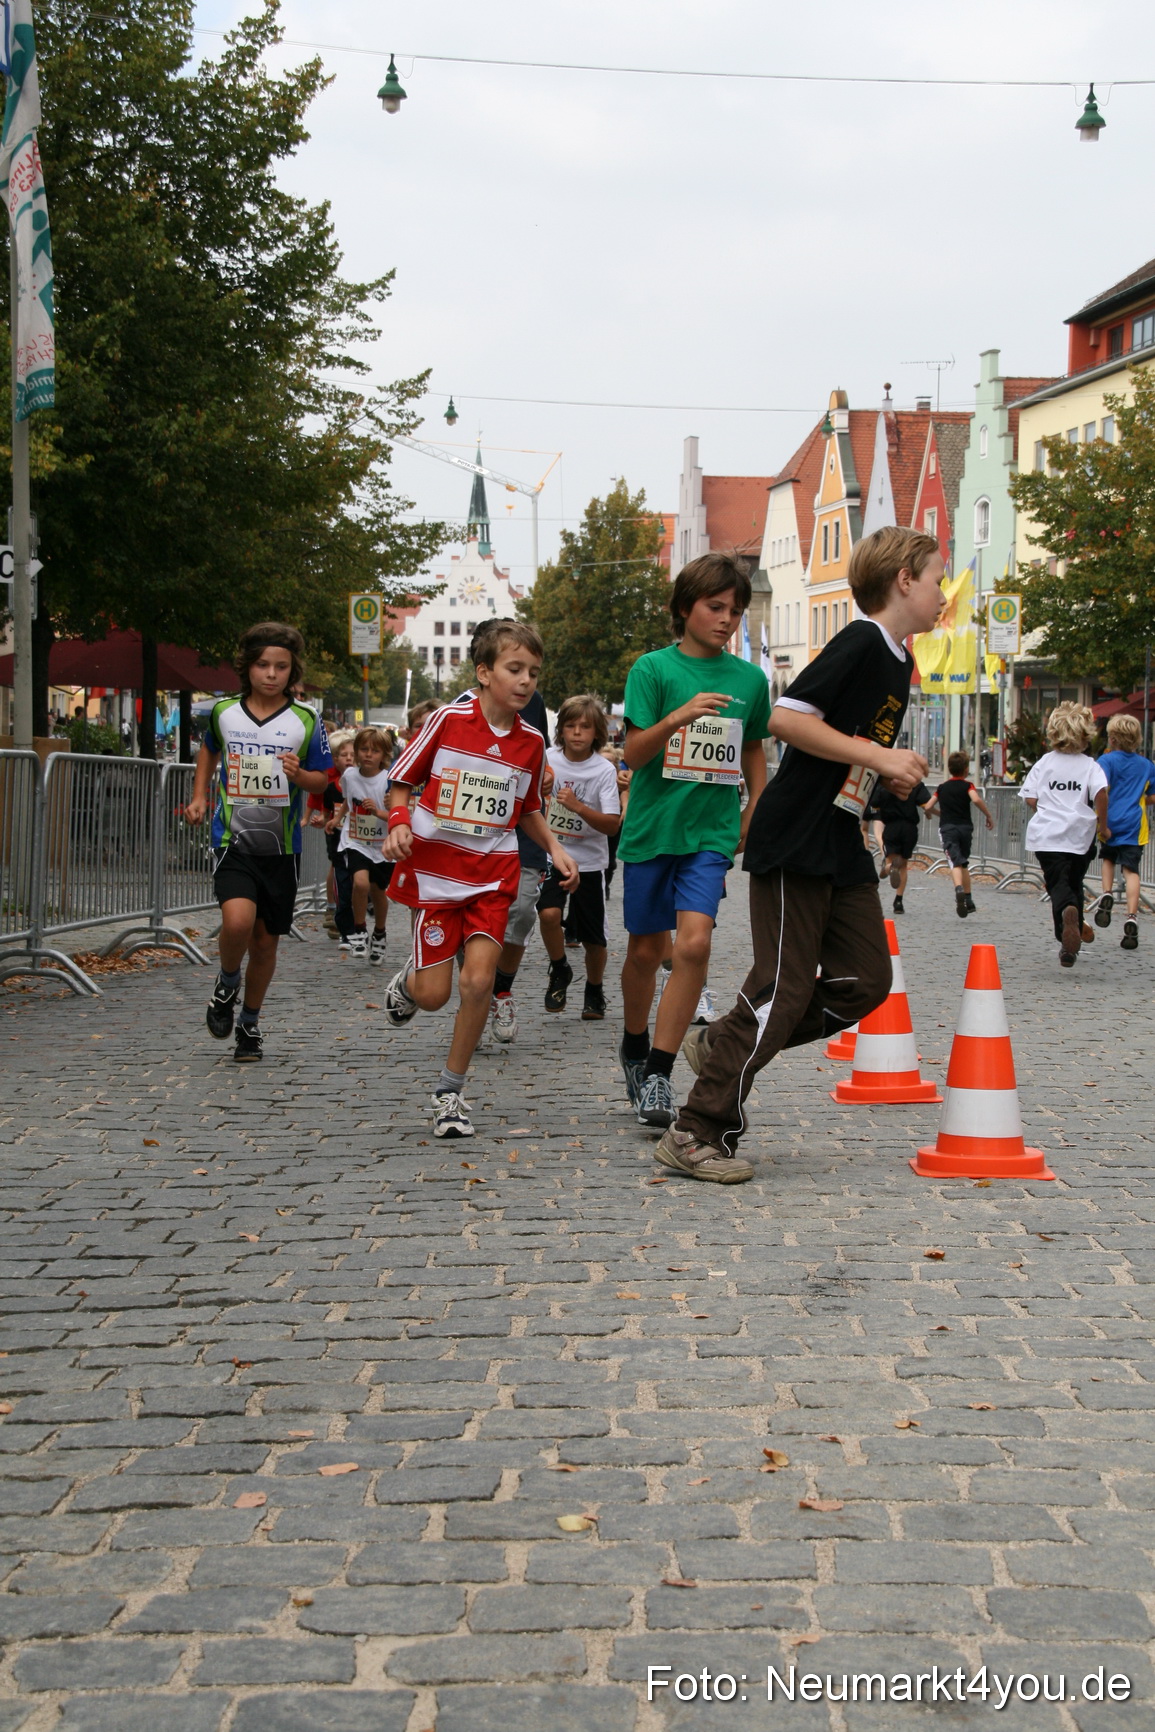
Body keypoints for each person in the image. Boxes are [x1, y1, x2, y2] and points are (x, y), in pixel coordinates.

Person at [658, 526, 944, 1182]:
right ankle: (696, 1130)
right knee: (782, 986)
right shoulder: (860, 640)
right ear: (903, 579)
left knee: (866, 981)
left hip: (839, 835)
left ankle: (725, 1039)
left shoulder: (899, 659)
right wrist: (877, 755)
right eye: (935, 578)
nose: (942, 593)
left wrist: (887, 773)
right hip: (795, 834)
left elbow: (848, 745)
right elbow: (785, 718)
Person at [381, 619, 579, 1138]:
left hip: (493, 875)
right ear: (485, 672)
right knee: (433, 996)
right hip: (437, 877)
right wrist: (399, 823)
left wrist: (556, 847)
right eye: (515, 669)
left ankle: (450, 1093)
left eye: (534, 672)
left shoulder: (532, 743)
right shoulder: (448, 720)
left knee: (478, 982)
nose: (526, 681)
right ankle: (409, 980)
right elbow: (401, 780)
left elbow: (528, 808)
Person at [617, 552, 771, 1131]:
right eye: (715, 607)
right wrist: (678, 717)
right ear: (685, 608)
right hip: (654, 829)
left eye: (735, 609)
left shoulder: (750, 679)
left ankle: (659, 1069)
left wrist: (756, 806)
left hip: (710, 832)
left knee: (695, 945)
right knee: (644, 952)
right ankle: (634, 1046)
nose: (727, 619)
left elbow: (753, 747)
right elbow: (633, 754)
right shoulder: (652, 670)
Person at [185, 621, 332, 1061]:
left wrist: (298, 775)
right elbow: (210, 748)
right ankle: (228, 981)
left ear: (292, 671)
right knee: (237, 922)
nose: (271, 674)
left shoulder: (307, 719)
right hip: (232, 838)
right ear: (247, 667)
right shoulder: (224, 711)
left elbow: (322, 779)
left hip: (281, 847)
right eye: (263, 665)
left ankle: (249, 1023)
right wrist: (197, 794)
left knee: (266, 942)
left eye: (281, 666)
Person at [539, 695, 621, 1019]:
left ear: (596, 731)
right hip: (553, 854)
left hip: (589, 861)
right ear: (561, 729)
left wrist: (578, 807)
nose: (576, 733)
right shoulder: (547, 758)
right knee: (547, 914)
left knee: (593, 939)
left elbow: (612, 825)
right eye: (570, 726)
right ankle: (560, 968)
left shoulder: (603, 770)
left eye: (584, 727)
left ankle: (595, 988)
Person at [1021, 702, 1109, 967]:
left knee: (1057, 883)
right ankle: (1071, 943)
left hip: (1048, 835)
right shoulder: (1090, 766)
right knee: (1074, 881)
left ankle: (1065, 926)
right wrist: (1102, 824)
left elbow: (1030, 797)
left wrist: (1047, 808)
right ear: (1085, 734)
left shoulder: (1045, 763)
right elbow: (1101, 795)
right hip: (1080, 835)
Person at [1093, 713, 1153, 951]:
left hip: (1109, 820)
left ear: (1113, 739)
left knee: (1108, 858)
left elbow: (1099, 790)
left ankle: (1106, 894)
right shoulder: (1146, 765)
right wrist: (1139, 800)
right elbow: (1153, 795)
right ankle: (1131, 916)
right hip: (1135, 825)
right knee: (1131, 871)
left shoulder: (1106, 762)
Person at [338, 726, 395, 963]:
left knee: (378, 891)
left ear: (384, 755)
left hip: (382, 844)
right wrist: (336, 817)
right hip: (356, 840)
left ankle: (379, 932)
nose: (368, 755)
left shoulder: (389, 780)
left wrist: (379, 811)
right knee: (360, 883)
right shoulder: (349, 776)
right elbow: (348, 800)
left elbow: (397, 815)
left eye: (375, 751)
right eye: (363, 749)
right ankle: (359, 929)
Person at [935, 750, 993, 917]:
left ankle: (958, 888)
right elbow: (975, 799)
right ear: (966, 769)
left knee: (955, 862)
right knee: (964, 862)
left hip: (948, 828)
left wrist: (936, 812)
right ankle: (968, 899)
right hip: (965, 828)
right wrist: (987, 815)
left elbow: (929, 805)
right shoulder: (968, 786)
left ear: (950, 768)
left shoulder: (942, 788)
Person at [314, 729, 355, 940]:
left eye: (352, 755)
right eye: (344, 755)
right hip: (337, 835)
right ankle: (335, 910)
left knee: (358, 875)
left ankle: (352, 911)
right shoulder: (331, 787)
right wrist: (323, 819)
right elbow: (326, 811)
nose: (349, 759)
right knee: (337, 869)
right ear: (335, 759)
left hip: (359, 837)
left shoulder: (361, 782)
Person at [877, 777, 934, 913]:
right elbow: (927, 803)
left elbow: (874, 804)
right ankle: (898, 901)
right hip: (909, 827)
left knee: (890, 860)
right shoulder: (914, 783)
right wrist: (929, 813)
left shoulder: (885, 782)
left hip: (892, 826)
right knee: (904, 865)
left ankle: (889, 866)